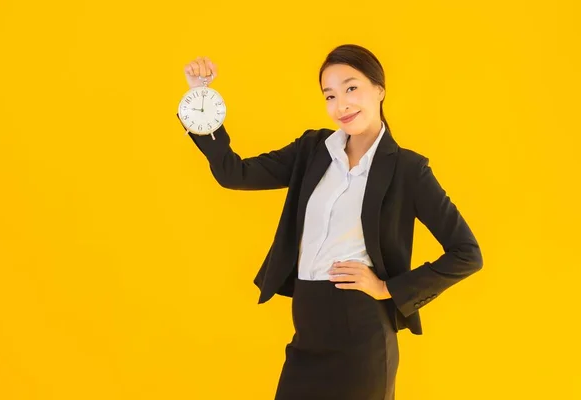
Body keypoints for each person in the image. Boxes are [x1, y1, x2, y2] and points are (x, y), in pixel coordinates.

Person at [179, 44, 483, 400]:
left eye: (351, 88)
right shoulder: (313, 150)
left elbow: (467, 253)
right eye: (330, 95)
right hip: (307, 331)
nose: (342, 105)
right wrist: (200, 100)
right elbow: (236, 173)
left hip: (362, 336)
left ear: (379, 89)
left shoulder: (408, 169)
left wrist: (388, 289)